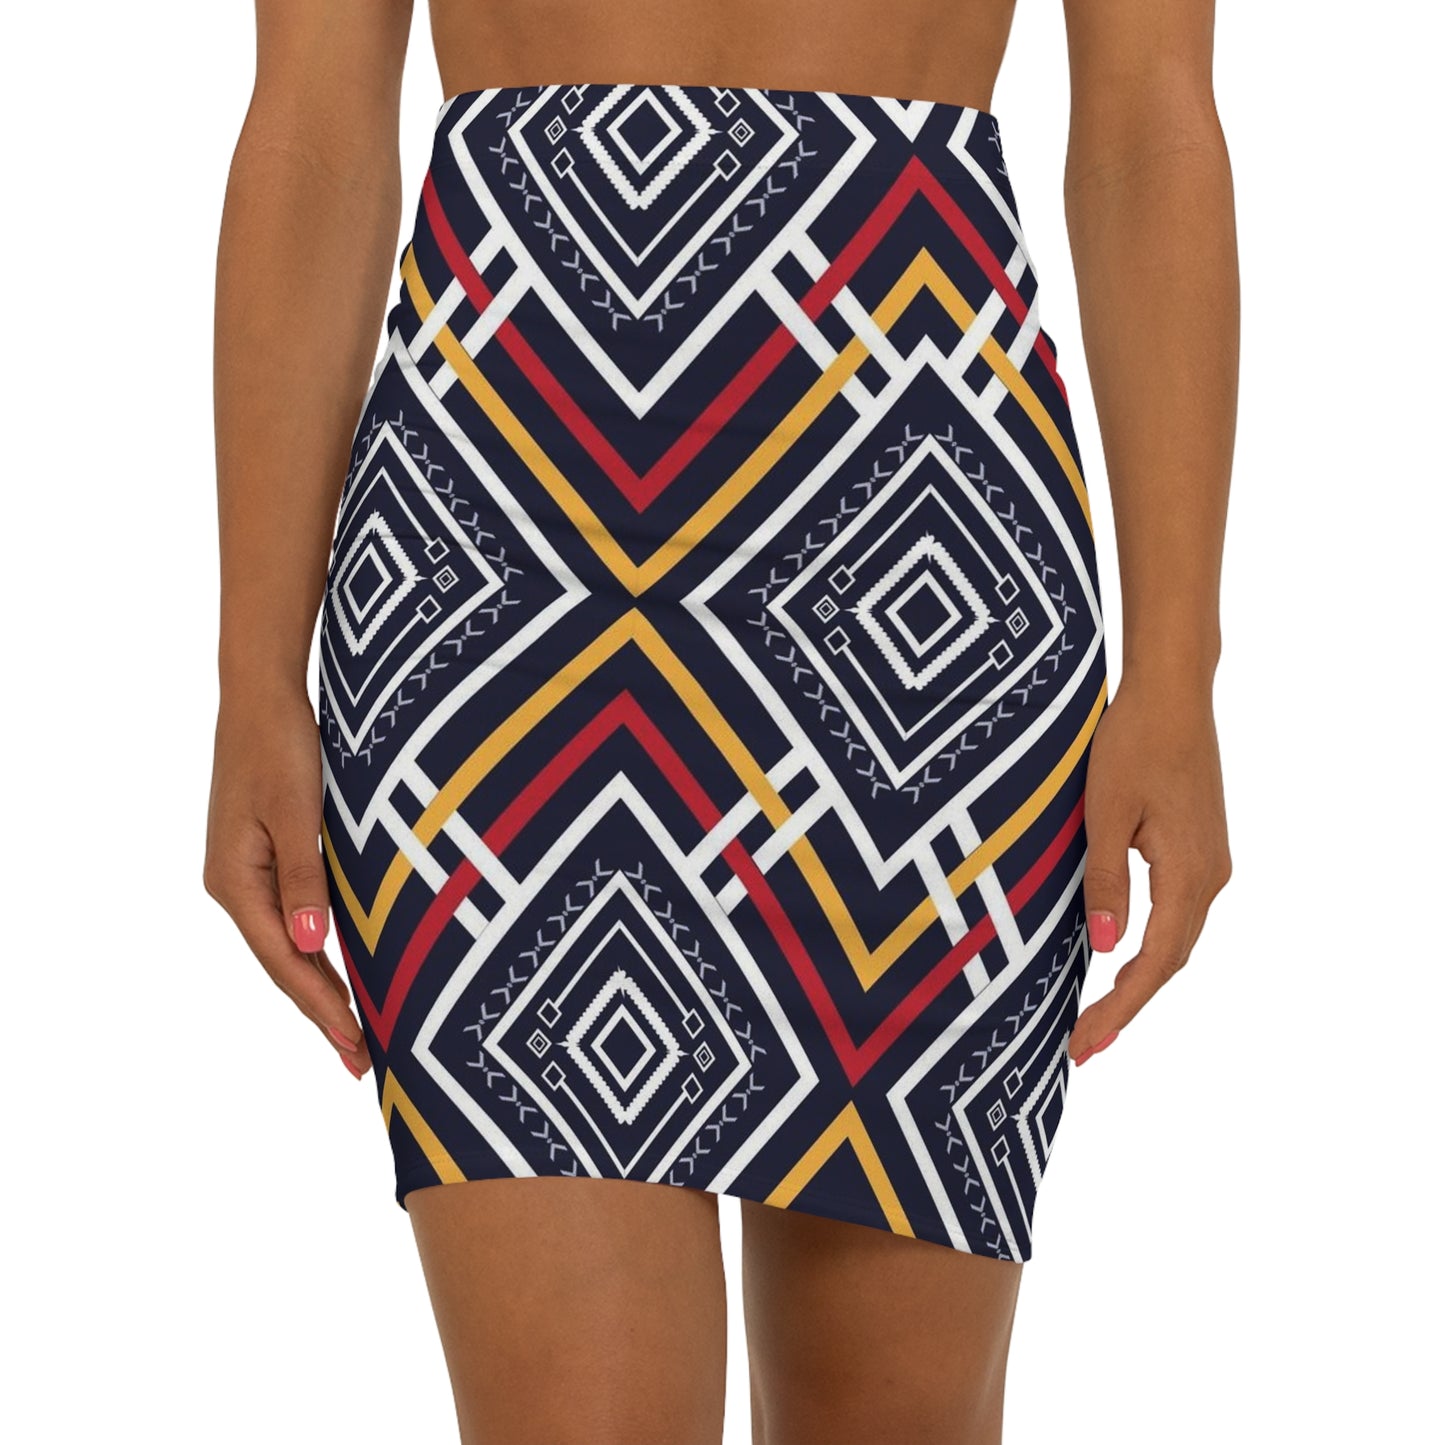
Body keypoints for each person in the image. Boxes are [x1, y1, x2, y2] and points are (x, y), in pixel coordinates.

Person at [204, 1, 1236, 1440]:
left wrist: (1179, 669)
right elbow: (314, 130)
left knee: (894, 1419)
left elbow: (1144, 126)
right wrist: (252, 672)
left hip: (916, 576)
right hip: (503, 558)